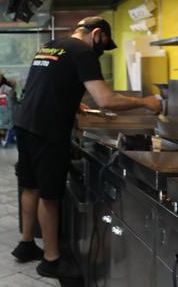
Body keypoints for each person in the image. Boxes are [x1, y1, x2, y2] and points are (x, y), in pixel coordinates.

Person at [11, 17, 161, 280]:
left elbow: (48, 83)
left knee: (30, 185)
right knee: (49, 194)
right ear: (96, 34)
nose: (101, 50)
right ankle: (51, 260)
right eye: (103, 44)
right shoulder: (83, 52)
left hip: (26, 122)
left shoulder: (52, 45)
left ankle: (26, 244)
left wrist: (72, 101)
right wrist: (147, 102)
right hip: (48, 129)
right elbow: (106, 100)